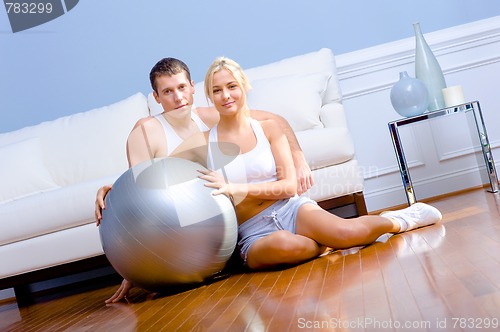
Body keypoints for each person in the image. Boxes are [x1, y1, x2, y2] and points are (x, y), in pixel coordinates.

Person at [171, 56, 442, 270]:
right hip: (251, 231)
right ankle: (325, 242)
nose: (225, 96)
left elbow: (289, 187)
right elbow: (158, 178)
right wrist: (138, 264)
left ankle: (399, 220)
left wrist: (236, 189)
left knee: (347, 232)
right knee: (285, 247)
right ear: (209, 96)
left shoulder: (268, 129)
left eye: (231, 87)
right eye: (217, 90)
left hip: (290, 209)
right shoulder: (202, 142)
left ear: (244, 87)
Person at [95, 57, 314, 303]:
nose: (178, 98)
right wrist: (133, 265)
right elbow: (140, 196)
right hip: (183, 234)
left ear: (192, 87)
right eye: (167, 91)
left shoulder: (209, 118)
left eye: (181, 88)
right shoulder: (146, 131)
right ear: (156, 97)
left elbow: (275, 121)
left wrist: (298, 157)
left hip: (226, 221)